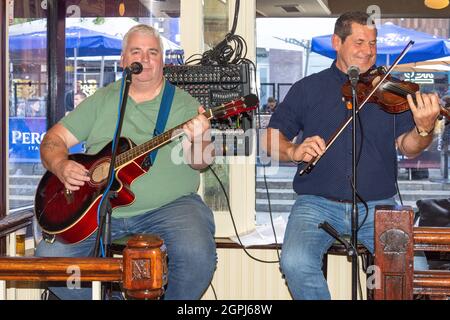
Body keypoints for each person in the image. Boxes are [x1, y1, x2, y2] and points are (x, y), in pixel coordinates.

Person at [263, 12, 441, 300]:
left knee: (413, 267)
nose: (368, 51)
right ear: (337, 42)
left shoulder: (389, 90)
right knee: (294, 261)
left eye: (373, 43)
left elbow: (408, 146)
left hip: (380, 206)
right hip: (316, 204)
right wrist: (293, 150)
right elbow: (269, 139)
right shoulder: (307, 88)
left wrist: (424, 130)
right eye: (359, 42)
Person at [37, 24, 216, 300]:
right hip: (97, 209)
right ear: (123, 60)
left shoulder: (183, 104)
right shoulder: (102, 100)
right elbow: (53, 140)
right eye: (136, 51)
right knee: (48, 262)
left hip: (169, 207)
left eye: (152, 52)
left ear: (162, 61)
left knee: (198, 256)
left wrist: (200, 139)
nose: (144, 59)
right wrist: (60, 165)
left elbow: (201, 163)